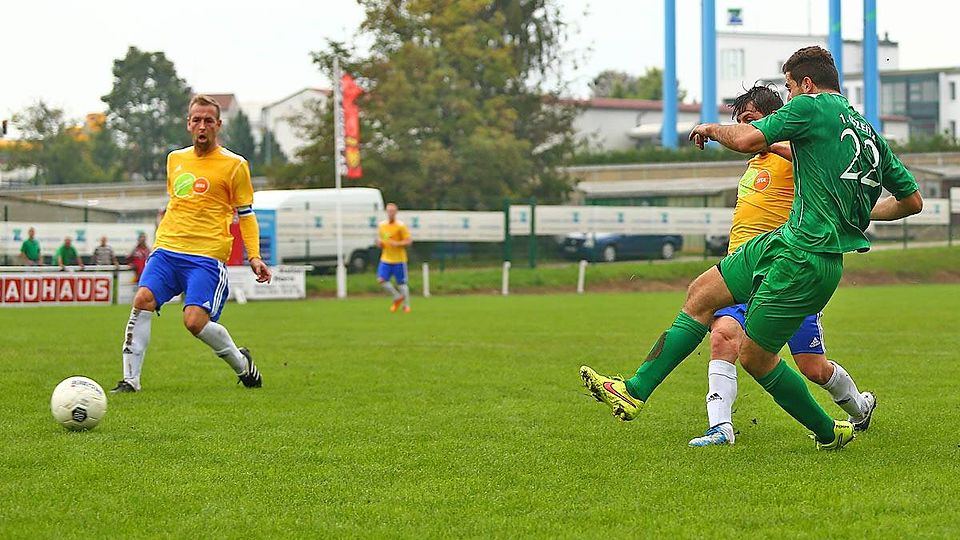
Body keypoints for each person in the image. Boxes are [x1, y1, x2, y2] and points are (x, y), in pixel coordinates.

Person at [580, 46, 922, 450]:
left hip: (805, 257)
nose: (789, 96)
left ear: (807, 84)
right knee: (701, 293)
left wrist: (709, 128)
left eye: (790, 87)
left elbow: (746, 140)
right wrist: (856, 214)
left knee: (756, 358)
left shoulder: (811, 107)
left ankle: (830, 432)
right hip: (784, 243)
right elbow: (912, 201)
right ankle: (634, 391)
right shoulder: (869, 133)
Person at [687, 85, 874, 447]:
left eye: (751, 120)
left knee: (812, 367)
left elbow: (810, 161)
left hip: (790, 272)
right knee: (723, 336)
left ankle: (859, 408)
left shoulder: (797, 153)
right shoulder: (753, 164)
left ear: (774, 120)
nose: (744, 129)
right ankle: (720, 428)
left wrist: (768, 140)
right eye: (740, 122)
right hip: (746, 272)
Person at [111, 94, 271, 393]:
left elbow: (246, 214)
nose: (202, 126)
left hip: (205, 256)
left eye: (208, 120)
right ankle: (130, 381)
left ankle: (242, 363)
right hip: (167, 250)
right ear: (188, 124)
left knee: (194, 322)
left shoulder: (235, 165)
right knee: (142, 299)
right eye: (196, 120)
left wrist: (254, 256)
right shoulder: (175, 159)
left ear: (218, 125)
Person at [376, 202, 413, 313]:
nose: (390, 213)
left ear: (396, 212)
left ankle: (406, 306)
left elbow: (409, 241)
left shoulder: (401, 226)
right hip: (386, 258)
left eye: (392, 211)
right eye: (389, 211)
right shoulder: (382, 226)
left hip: (399, 259)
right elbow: (383, 239)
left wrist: (398, 244)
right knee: (381, 280)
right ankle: (397, 297)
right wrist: (380, 244)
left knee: (401, 284)